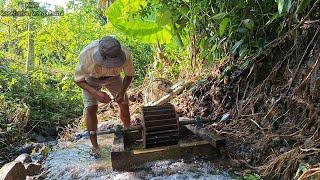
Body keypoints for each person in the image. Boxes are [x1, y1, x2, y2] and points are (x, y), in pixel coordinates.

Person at [74, 36, 134, 157]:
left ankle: (128, 133)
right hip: (90, 79)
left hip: (114, 78)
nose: (111, 64)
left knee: (124, 104)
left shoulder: (125, 54)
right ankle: (95, 146)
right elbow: (78, 80)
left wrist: (121, 92)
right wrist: (96, 94)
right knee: (91, 108)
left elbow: (129, 75)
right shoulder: (87, 55)